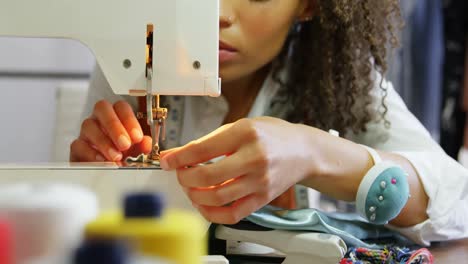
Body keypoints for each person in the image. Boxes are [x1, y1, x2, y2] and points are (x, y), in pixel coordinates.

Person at [71, 0, 468, 246]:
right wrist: (91, 181)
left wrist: (315, 153)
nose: (218, 14)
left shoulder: (333, 73)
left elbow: (458, 203)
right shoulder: (132, 59)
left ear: (307, 4)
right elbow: (81, 215)